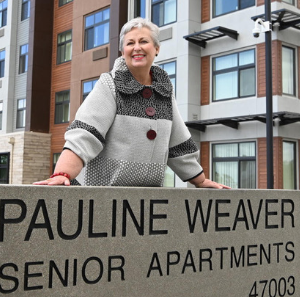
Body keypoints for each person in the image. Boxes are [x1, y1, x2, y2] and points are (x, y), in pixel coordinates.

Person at [34, 18, 229, 189]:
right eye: (130, 43)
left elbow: (177, 141)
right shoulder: (110, 84)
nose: (137, 47)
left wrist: (200, 180)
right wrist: (63, 173)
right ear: (122, 50)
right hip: (99, 192)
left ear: (157, 48)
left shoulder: (164, 90)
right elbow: (85, 133)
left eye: (144, 41)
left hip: (143, 195)